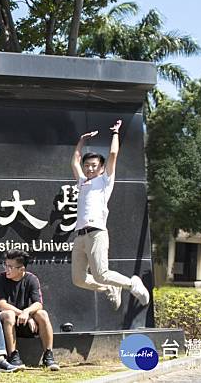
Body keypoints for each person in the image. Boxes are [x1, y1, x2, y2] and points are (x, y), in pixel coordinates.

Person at [70, 119, 150, 310]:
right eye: (87, 165)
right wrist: (81, 141)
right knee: (78, 279)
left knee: (101, 273)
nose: (89, 168)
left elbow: (113, 153)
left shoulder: (105, 181)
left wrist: (115, 133)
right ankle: (111, 288)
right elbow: (74, 160)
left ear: (102, 167)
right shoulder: (82, 182)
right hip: (80, 236)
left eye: (94, 165)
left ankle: (132, 284)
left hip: (97, 232)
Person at [0, 250, 59, 370]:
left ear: (21, 269)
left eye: (10, 267)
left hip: (25, 322)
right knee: (9, 314)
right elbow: (1, 304)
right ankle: (13, 356)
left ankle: (48, 356)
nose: (6, 269)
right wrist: (24, 315)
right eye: (5, 265)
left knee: (42, 314)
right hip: (4, 323)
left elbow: (38, 303)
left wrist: (27, 312)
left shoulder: (31, 279)